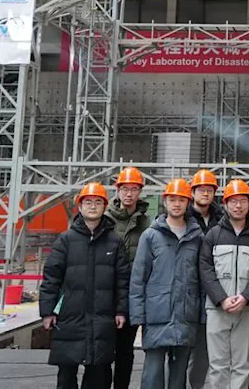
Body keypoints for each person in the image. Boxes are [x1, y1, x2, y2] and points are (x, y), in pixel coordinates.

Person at [40, 182, 130, 389]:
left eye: (98, 202)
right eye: (87, 202)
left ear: (105, 206)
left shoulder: (114, 242)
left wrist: (120, 311)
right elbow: (51, 278)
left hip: (102, 317)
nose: (92, 206)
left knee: (98, 373)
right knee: (66, 374)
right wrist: (47, 312)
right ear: (79, 207)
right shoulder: (66, 241)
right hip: (70, 317)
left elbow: (122, 281)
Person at [130, 178, 204, 389]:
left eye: (182, 200)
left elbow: (201, 279)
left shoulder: (197, 237)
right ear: (165, 202)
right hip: (157, 313)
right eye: (172, 199)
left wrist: (201, 315)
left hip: (186, 312)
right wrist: (137, 315)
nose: (177, 204)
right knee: (153, 372)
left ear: (188, 203)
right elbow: (138, 278)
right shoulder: (151, 236)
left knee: (178, 374)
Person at [199, 179, 249, 389]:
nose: (238, 206)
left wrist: (246, 297)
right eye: (233, 201)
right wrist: (221, 298)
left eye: (242, 201)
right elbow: (205, 268)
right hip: (217, 308)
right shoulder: (213, 234)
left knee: (241, 364)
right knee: (218, 364)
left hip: (246, 309)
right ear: (225, 204)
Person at [111, 166, 151, 389]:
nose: (129, 193)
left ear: (140, 192)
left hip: (133, 297)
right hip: (106, 295)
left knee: (125, 352)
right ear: (118, 190)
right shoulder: (106, 221)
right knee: (104, 352)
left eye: (134, 189)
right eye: (124, 188)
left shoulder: (147, 224)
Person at [187, 168, 222, 389]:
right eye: (201, 189)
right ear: (192, 192)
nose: (205, 193)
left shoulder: (221, 219)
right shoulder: (182, 216)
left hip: (212, 291)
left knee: (203, 352)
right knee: (182, 351)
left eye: (209, 190)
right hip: (188, 289)